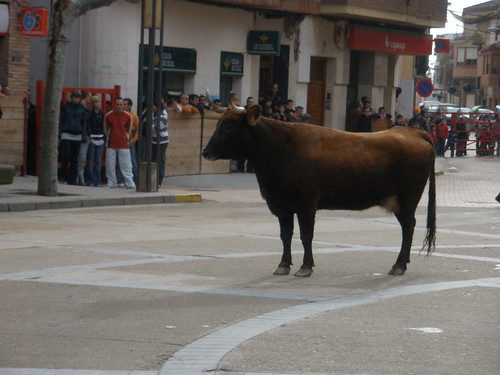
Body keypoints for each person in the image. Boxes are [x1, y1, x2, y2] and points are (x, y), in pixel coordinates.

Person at [104, 97, 135, 189]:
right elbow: (106, 130)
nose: (119, 106)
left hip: (123, 144)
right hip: (111, 144)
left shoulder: (128, 116)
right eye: (117, 104)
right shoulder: (108, 116)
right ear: (115, 105)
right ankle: (112, 182)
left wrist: (126, 138)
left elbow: (128, 130)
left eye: (121, 104)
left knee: (126, 165)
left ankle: (129, 183)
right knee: (110, 164)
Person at [58, 89, 88, 185]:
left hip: (77, 134)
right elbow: (61, 121)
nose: (77, 99)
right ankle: (62, 175)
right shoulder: (65, 107)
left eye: (78, 97)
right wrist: (59, 135)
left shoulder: (82, 109)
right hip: (66, 133)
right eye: (75, 97)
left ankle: (72, 178)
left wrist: (83, 135)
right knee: (67, 154)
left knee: (75, 158)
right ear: (72, 97)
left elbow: (84, 123)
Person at [86, 96, 105, 186]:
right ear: (92, 104)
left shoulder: (102, 114)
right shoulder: (89, 114)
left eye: (98, 101)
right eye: (95, 102)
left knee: (98, 161)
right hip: (92, 137)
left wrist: (104, 137)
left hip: (100, 137)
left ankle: (98, 180)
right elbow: (88, 125)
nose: (97, 103)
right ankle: (90, 180)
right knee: (90, 160)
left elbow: (104, 126)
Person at [152, 98, 170, 187]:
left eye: (153, 106)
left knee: (158, 161)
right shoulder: (154, 114)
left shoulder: (163, 116)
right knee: (154, 160)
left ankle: (158, 181)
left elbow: (157, 128)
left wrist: (150, 125)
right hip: (154, 140)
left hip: (162, 141)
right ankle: (154, 179)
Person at [76, 90, 92, 185]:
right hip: (83, 135)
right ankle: (80, 178)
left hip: (83, 135)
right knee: (81, 158)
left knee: (80, 158)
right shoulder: (83, 109)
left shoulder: (83, 109)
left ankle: (80, 178)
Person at [123, 98, 139, 185]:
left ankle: (135, 181)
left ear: (129, 106)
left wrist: (133, 140)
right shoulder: (121, 115)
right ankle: (122, 181)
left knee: (132, 162)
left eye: (125, 104)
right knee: (122, 162)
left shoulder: (134, 116)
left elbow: (137, 130)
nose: (123, 106)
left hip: (130, 141)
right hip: (122, 141)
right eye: (123, 104)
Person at [24, 88, 37, 175]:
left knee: (31, 152)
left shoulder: (34, 108)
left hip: (31, 133)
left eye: (30, 95)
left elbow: (35, 121)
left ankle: (30, 170)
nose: (28, 97)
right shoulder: (20, 107)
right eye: (27, 95)